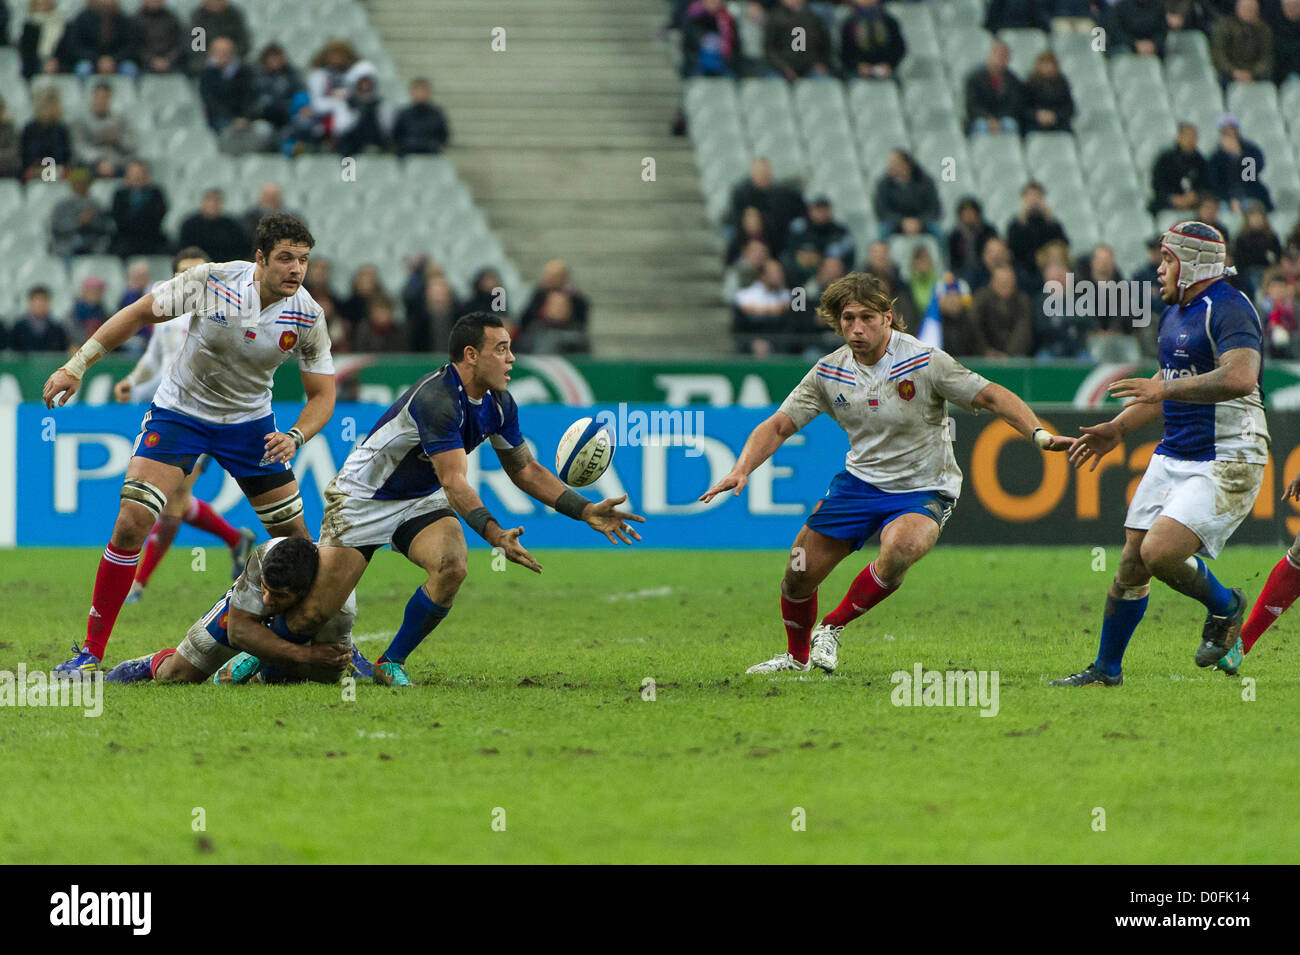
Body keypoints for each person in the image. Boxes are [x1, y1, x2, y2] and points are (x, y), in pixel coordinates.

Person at [700, 272, 1070, 674]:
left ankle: (832, 627)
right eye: (847, 318)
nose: (856, 328)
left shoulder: (925, 361)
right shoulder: (828, 372)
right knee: (797, 573)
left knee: (900, 548)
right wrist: (742, 469)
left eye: (867, 318)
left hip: (923, 486)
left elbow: (992, 395)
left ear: (888, 317)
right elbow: (778, 426)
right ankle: (797, 659)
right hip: (859, 486)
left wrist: (1037, 434)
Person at [262, 312, 645, 687]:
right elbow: (454, 483)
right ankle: (253, 648)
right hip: (362, 499)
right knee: (311, 616)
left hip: (418, 500)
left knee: (452, 567)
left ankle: (390, 661)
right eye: (501, 349)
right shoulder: (438, 400)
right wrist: (496, 535)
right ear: (471, 355)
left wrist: (586, 510)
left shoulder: (499, 403)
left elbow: (524, 469)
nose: (511, 359)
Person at [41, 213, 336, 676]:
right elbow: (139, 313)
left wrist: (296, 435)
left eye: (303, 260)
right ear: (260, 259)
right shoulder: (211, 281)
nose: (296, 270)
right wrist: (78, 365)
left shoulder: (308, 314)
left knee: (299, 543)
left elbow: (323, 395)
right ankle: (90, 653)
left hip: (250, 426)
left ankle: (318, 645)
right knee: (131, 522)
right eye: (285, 259)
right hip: (181, 415)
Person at [1053, 221, 1268, 686]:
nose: (1158, 269)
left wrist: (1163, 387)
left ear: (1191, 265)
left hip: (1229, 455)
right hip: (1176, 452)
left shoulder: (1230, 308)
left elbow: (1241, 377)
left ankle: (1226, 605)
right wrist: (1116, 427)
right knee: (1132, 562)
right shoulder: (1175, 313)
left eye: (1167, 259)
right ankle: (1106, 671)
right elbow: (1166, 386)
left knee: (1159, 551)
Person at [112, 247, 256, 604]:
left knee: (174, 497)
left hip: (208, 416)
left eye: (197, 273)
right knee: (175, 498)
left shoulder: (228, 314)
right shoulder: (166, 315)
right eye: (183, 274)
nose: (190, 281)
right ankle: (236, 539)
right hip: (170, 412)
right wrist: (133, 381)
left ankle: (139, 583)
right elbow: (153, 360)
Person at [104, 537, 362, 685]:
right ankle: (151, 663)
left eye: (279, 596)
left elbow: (328, 674)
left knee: (317, 675)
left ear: (304, 593)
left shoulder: (340, 606)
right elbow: (239, 631)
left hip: (306, 628)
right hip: (246, 618)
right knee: (178, 675)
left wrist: (305, 660)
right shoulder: (263, 557)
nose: (267, 600)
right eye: (265, 588)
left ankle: (264, 663)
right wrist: (304, 654)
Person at [1206, 113, 1273, 213]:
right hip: (1224, 197)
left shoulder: (1250, 150)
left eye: (1232, 129)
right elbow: (1214, 182)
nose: (1230, 133)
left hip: (1250, 194)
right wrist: (1229, 199)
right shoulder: (1216, 156)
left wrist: (1239, 155)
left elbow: (1250, 176)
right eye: (1226, 131)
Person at [72, 80, 139, 179]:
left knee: (136, 169)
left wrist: (117, 140)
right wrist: (100, 160)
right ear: (93, 98)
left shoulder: (121, 119)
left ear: (110, 99)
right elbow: (80, 147)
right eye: (98, 97)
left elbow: (132, 145)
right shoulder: (82, 121)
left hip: (117, 162)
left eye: (105, 98)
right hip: (92, 162)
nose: (101, 101)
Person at [873, 149, 940, 239]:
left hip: (922, 223)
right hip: (895, 224)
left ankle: (944, 253)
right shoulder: (883, 184)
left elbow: (934, 209)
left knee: (938, 231)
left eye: (894, 163)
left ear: (906, 164)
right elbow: (882, 211)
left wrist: (919, 222)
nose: (890, 166)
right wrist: (902, 222)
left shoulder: (925, 182)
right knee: (883, 230)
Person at [964, 41, 1025, 135]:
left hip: (1004, 118)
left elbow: (1014, 104)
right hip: (981, 118)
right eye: (997, 55)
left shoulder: (1013, 80)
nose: (1000, 60)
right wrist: (989, 118)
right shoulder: (974, 79)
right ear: (990, 56)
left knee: (1010, 125)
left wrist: (999, 119)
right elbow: (972, 105)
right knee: (982, 126)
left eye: (1004, 56)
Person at [110, 159, 168, 258]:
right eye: (134, 173)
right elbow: (118, 216)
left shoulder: (156, 193)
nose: (137, 176)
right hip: (126, 238)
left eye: (140, 173)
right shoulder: (120, 194)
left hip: (151, 237)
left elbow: (158, 215)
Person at [1210, 0, 1274, 86]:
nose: (1250, 12)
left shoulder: (1264, 30)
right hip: (1230, 72)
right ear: (1238, 9)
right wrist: (1234, 72)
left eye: (1252, 9)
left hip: (1255, 73)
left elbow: (1266, 56)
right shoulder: (1224, 27)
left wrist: (1252, 73)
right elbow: (1219, 55)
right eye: (1246, 9)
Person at [1149, 122, 1207, 214]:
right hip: (1168, 203)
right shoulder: (1165, 159)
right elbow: (1158, 185)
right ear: (1179, 137)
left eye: (1194, 136)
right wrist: (1173, 198)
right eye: (1188, 136)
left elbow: (1205, 184)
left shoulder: (1200, 161)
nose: (1191, 139)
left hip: (1194, 204)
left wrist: (1195, 195)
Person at [839, 0, 905, 81]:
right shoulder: (848, 24)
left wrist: (889, 64)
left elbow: (899, 48)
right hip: (857, 71)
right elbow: (844, 52)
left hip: (885, 69)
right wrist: (857, 66)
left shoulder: (890, 22)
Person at [764, 0, 830, 80]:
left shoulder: (813, 18)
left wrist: (820, 63)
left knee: (823, 81)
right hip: (781, 69)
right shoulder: (774, 19)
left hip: (809, 68)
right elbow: (770, 50)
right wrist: (785, 69)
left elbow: (824, 45)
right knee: (773, 84)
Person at [178, 188, 249, 262]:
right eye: (209, 200)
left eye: (217, 201)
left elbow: (242, 251)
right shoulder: (189, 225)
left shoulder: (232, 226)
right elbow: (184, 252)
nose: (212, 204)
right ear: (202, 202)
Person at [390, 77, 449, 156]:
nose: (420, 94)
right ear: (412, 93)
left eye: (423, 90)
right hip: (407, 155)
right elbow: (396, 136)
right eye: (417, 90)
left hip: (431, 156)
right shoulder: (403, 114)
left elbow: (443, 136)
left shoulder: (436, 114)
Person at [1022, 50, 1074, 133]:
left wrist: (1055, 115)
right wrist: (1037, 115)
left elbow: (1069, 108)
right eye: (1044, 64)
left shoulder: (1062, 83)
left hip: (1057, 122)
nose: (1047, 68)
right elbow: (1023, 107)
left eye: (1049, 64)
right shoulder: (1030, 83)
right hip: (1034, 122)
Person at [9, 285, 69, 352]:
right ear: (30, 302)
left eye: (44, 300)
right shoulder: (18, 328)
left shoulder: (58, 329)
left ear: (49, 302)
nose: (40, 304)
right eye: (37, 300)